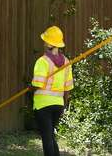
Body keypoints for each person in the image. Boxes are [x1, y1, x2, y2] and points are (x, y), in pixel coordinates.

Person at [32, 26, 74, 156]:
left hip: (43, 105)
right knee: (50, 136)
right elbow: (68, 88)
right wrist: (64, 105)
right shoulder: (67, 62)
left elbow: (37, 84)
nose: (44, 43)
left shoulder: (42, 61)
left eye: (45, 41)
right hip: (58, 104)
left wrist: (30, 87)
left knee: (47, 138)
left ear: (49, 43)